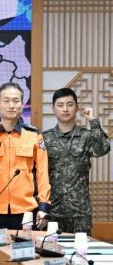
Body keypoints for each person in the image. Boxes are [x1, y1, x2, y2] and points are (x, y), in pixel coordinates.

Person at [0, 83, 50, 230]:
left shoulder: (34, 135)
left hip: (26, 210)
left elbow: (42, 173)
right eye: (6, 101)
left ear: (22, 104)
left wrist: (44, 206)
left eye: (16, 101)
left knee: (26, 245)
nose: (11, 105)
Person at [43, 88, 110, 234]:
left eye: (70, 104)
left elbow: (102, 149)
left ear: (77, 107)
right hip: (53, 212)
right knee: (52, 248)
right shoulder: (45, 138)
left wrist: (93, 121)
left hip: (80, 213)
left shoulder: (86, 136)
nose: (65, 109)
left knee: (82, 248)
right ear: (53, 109)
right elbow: (38, 175)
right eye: (60, 105)